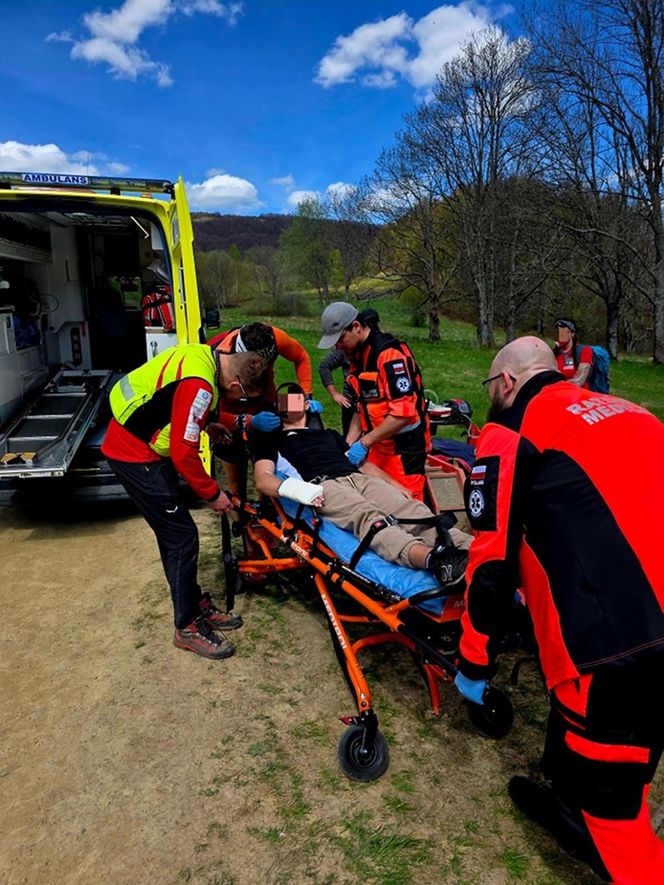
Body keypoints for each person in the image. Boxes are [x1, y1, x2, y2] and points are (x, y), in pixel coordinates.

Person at [453, 336, 664, 883]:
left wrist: (474, 663)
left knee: (614, 812)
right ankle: (567, 794)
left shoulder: (509, 431)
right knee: (638, 745)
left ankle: (597, 821)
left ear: (506, 383)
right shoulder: (633, 411)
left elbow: (490, 563)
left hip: (617, 642)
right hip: (646, 621)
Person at [101, 344, 268, 660]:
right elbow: (183, 452)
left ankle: (192, 605)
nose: (237, 402)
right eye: (241, 397)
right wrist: (213, 494)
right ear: (235, 385)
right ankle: (187, 626)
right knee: (181, 537)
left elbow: (171, 400)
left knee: (174, 533)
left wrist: (207, 424)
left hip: (136, 442)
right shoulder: (201, 385)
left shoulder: (205, 355)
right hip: (134, 454)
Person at [249, 384, 468, 583]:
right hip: (324, 486)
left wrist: (395, 485)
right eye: (282, 402)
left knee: (415, 511)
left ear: (306, 405)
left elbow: (362, 464)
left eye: (294, 399)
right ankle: (434, 560)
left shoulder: (329, 435)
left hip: (358, 478)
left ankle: (473, 551)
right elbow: (263, 479)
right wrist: (300, 490)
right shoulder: (272, 439)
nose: (287, 404)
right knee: (370, 519)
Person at [318, 302, 430, 502]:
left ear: (356, 327)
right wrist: (348, 446)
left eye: (340, 339)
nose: (338, 346)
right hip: (378, 446)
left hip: (404, 452)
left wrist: (363, 442)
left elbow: (403, 414)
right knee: (374, 501)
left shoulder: (389, 356)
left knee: (409, 509)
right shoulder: (358, 359)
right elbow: (360, 408)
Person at [208, 322, 322, 500]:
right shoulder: (215, 356)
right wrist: (246, 422)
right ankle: (239, 521)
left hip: (265, 404)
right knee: (236, 480)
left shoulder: (275, 337)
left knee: (268, 470)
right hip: (227, 413)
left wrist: (305, 395)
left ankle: (268, 510)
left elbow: (301, 357)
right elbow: (210, 414)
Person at [318, 309, 380, 435]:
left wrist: (365, 443)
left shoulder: (383, 352)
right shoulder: (347, 350)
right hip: (352, 405)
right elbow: (324, 366)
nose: (338, 346)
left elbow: (400, 413)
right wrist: (335, 394)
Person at [552, 318, 592, 387]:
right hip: (556, 394)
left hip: (578, 394)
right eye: (558, 332)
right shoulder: (553, 353)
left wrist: (557, 383)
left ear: (572, 333)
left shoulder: (584, 350)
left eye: (563, 332)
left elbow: (580, 381)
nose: (560, 335)